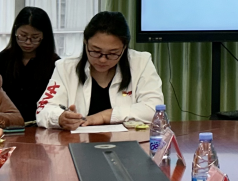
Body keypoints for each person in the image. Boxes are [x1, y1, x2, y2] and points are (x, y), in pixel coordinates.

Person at [36, 11, 164, 130]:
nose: (103, 60)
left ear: (124, 48)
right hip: (78, 143)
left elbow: (154, 108)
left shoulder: (141, 63)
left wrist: (105, 116)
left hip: (129, 142)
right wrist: (60, 118)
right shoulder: (66, 68)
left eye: (112, 53)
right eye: (96, 51)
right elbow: (43, 110)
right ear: (85, 42)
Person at [0, 7, 60, 122]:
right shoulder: (3, 59)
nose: (28, 42)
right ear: (15, 31)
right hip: (7, 125)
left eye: (35, 37)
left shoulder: (55, 64)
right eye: (23, 36)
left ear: (44, 36)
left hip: (41, 125)